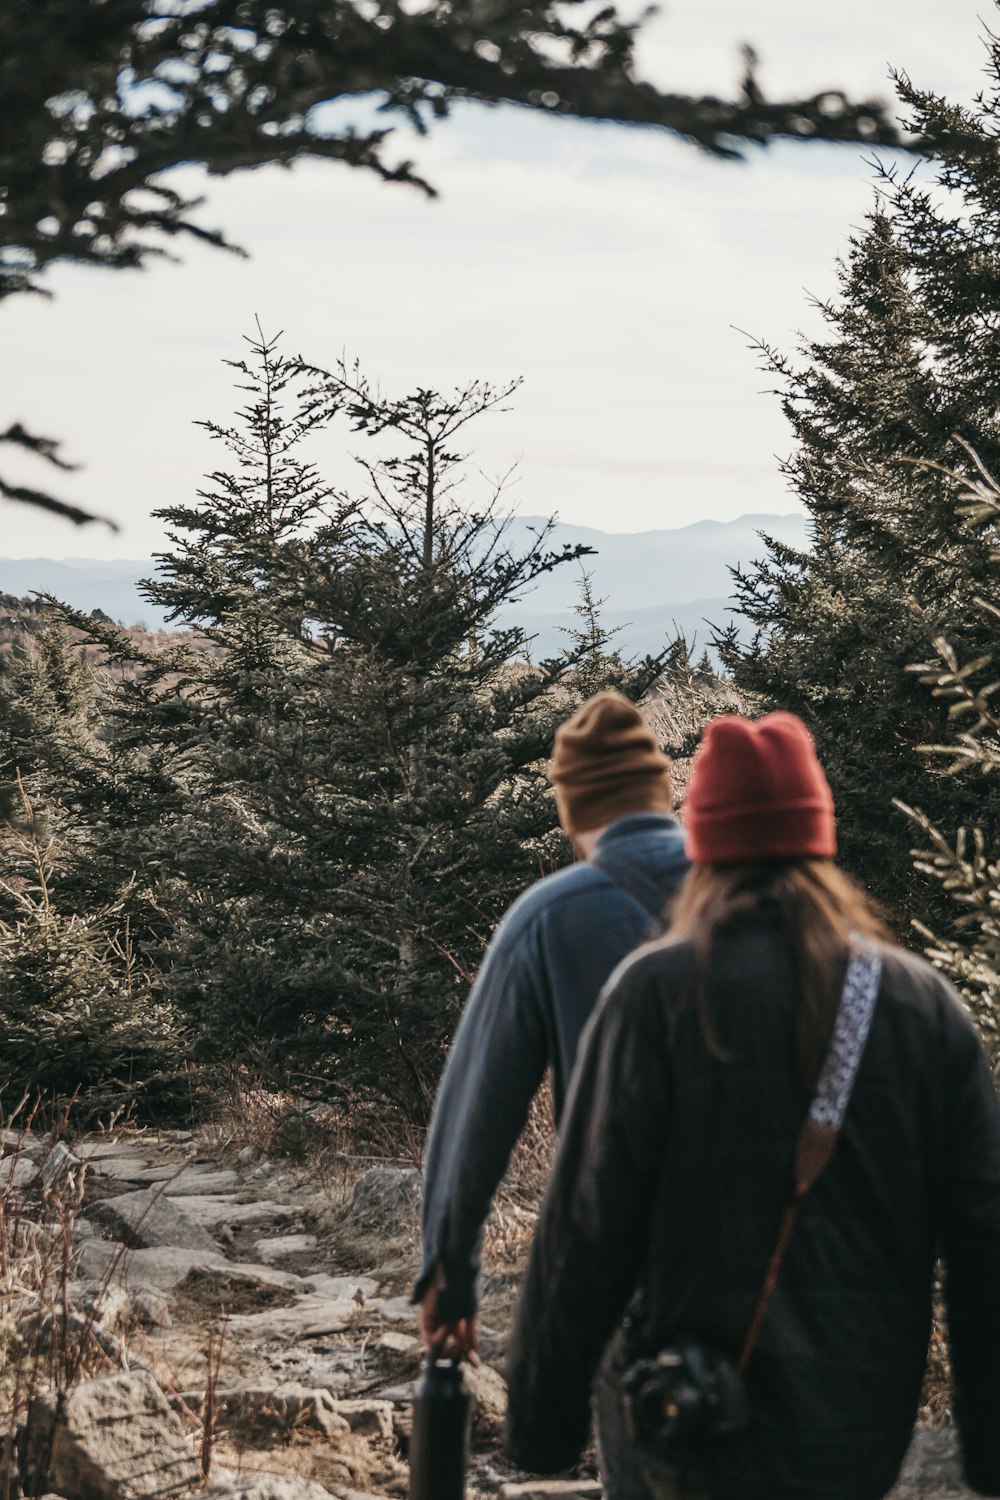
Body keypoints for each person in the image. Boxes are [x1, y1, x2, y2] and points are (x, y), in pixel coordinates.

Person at [505, 711, 1000, 1500]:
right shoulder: (923, 1008)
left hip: (698, 1410)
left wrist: (542, 1425)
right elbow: (984, 1245)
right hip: (862, 1423)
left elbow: (585, 1228)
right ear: (820, 842)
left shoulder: (656, 995)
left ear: (703, 847)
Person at [414, 691, 689, 1359]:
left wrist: (449, 1275)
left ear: (575, 809)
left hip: (628, 1259)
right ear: (660, 792)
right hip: (775, 1252)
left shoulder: (550, 916)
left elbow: (478, 1111)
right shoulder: (754, 890)